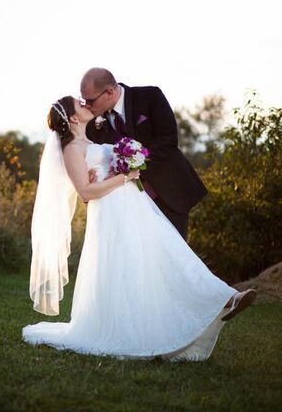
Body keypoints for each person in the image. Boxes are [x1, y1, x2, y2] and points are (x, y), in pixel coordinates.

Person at [21, 96, 256, 361]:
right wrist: (124, 176)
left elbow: (95, 180)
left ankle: (221, 297)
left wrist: (127, 164)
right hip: (112, 213)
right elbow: (85, 191)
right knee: (131, 266)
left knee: (169, 251)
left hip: (134, 205)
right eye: (78, 103)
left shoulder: (90, 141)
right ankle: (216, 301)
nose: (84, 102)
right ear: (73, 118)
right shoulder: (72, 148)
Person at [81, 67, 204, 239]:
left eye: (90, 101)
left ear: (109, 92)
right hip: (128, 205)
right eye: (83, 100)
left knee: (173, 256)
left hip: (167, 193)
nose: (86, 105)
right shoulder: (92, 124)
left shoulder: (150, 97)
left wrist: (133, 160)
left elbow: (168, 139)